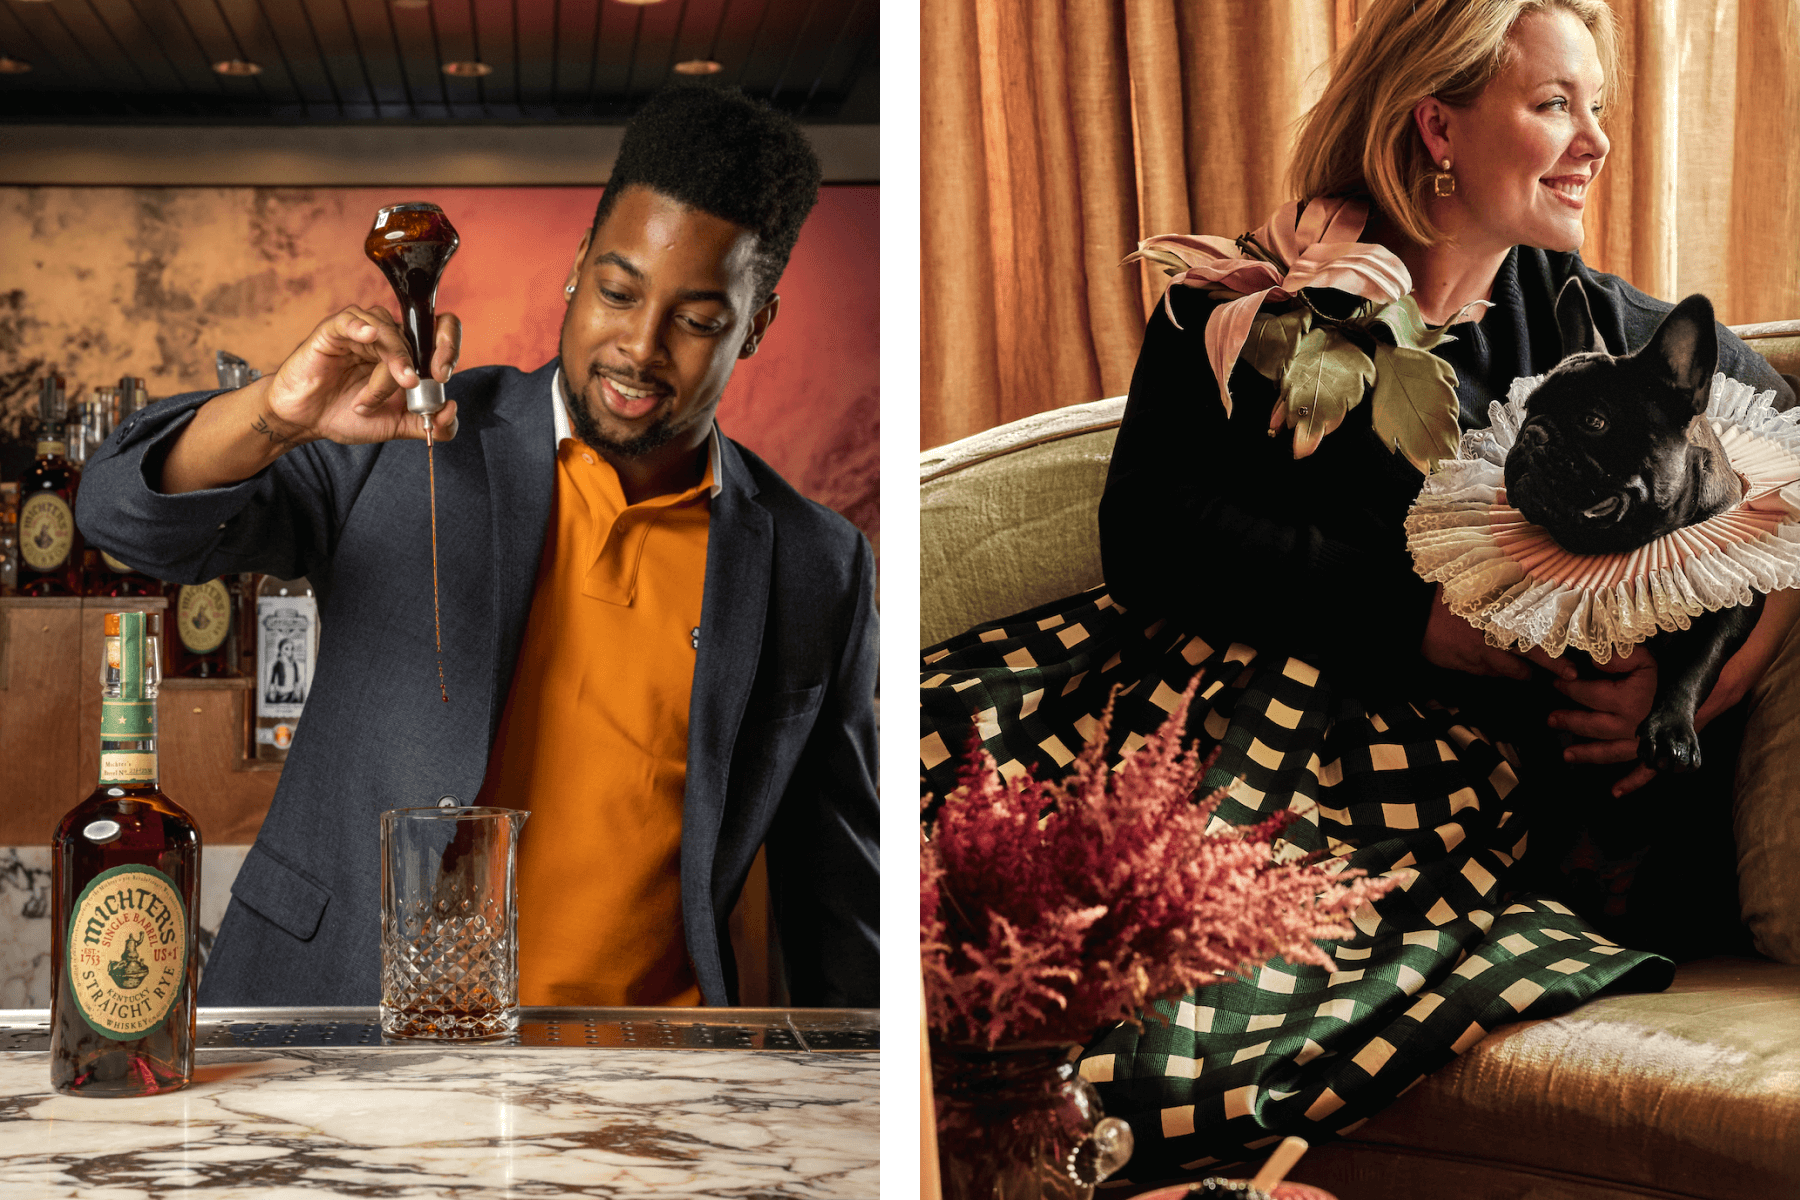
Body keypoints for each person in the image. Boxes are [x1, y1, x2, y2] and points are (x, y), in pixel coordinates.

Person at [919, 0, 1797, 1177]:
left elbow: (1797, 468)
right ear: (1437, 127)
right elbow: (1154, 534)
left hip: (1425, 800)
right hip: (1202, 712)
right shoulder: (1240, 302)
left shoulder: (1596, 324)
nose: (1595, 141)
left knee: (1148, 1027)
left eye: (1598, 106)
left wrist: (1702, 690)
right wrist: (1414, 621)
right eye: (1554, 106)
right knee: (947, 824)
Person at [80, 84, 879, 1011]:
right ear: (579, 267)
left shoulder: (818, 564)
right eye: (619, 291)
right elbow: (117, 515)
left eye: (698, 321)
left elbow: (840, 901)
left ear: (757, 325)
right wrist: (273, 416)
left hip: (637, 1088)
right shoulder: (410, 438)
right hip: (334, 1030)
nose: (640, 346)